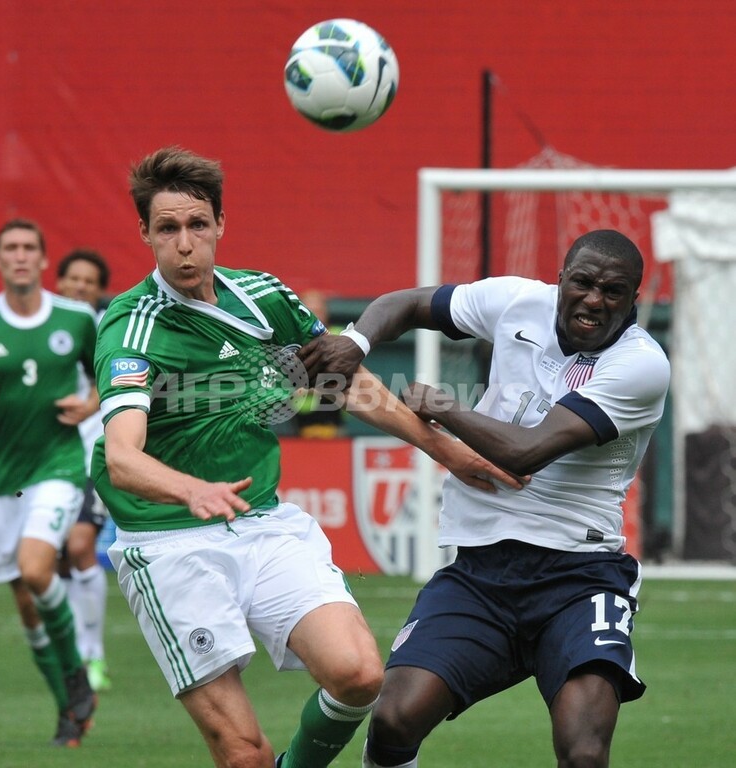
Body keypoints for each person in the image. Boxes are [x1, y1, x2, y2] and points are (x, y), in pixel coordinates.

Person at [90, 145, 522, 768]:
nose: (184, 244)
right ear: (145, 234)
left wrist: (444, 449)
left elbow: (345, 383)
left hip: (263, 524)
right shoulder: (131, 326)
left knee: (360, 676)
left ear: (220, 224)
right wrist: (191, 489)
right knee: (244, 755)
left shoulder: (264, 296)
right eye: (167, 229)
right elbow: (122, 457)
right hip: (169, 544)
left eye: (197, 225)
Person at [298, 229, 671, 768]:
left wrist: (441, 408)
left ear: (633, 299)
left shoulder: (641, 365)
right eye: (583, 283)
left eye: (612, 291)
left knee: (584, 752)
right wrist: (356, 342)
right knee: (393, 720)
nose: (594, 300)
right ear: (561, 279)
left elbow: (525, 452)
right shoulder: (518, 300)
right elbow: (409, 303)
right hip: (480, 573)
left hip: (580, 576)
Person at [0, 219, 100, 747]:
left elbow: (110, 375)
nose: (19, 255)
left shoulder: (76, 318)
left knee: (37, 568)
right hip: (5, 479)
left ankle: (77, 670)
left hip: (60, 466)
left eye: (29, 247)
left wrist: (90, 406)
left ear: (42, 259)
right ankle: (68, 711)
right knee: (28, 607)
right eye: (10, 248)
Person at [56, 248, 113, 692]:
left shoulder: (108, 328)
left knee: (79, 545)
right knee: (55, 560)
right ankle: (73, 655)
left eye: (88, 281)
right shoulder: (44, 328)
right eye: (73, 279)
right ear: (60, 282)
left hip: (95, 452)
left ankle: (94, 657)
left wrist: (91, 406)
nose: (79, 286)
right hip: (49, 458)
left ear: (99, 291)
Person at [292, 289, 345, 438]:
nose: (315, 316)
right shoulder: (291, 341)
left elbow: (343, 378)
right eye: (309, 311)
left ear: (326, 312)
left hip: (333, 418)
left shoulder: (340, 337)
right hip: (299, 421)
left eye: (318, 310)